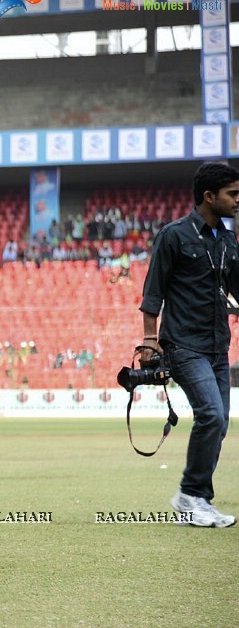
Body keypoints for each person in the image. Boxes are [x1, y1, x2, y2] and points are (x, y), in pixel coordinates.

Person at [140, 162, 239, 528]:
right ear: (209, 197)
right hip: (182, 343)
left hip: (218, 345)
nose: (238, 200)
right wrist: (150, 340)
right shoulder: (173, 235)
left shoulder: (228, 240)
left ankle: (198, 499)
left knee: (221, 423)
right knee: (211, 415)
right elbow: (153, 291)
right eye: (233, 194)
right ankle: (189, 496)